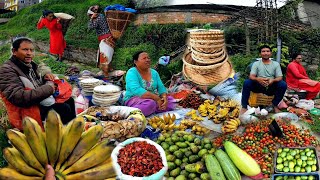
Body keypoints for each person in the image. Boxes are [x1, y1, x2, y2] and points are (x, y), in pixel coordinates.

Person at [0, 37, 75, 130]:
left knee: (70, 100)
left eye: (31, 50)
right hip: (27, 110)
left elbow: (37, 77)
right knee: (64, 108)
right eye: (25, 49)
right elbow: (19, 97)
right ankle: (61, 137)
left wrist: (45, 77)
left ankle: (71, 131)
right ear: (14, 51)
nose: (29, 53)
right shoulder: (6, 70)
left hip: (37, 101)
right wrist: (50, 88)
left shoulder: (28, 64)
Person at [124, 51, 176, 116]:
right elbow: (136, 90)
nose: (147, 60)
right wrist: (156, 98)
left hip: (152, 99)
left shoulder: (154, 72)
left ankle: (150, 110)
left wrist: (164, 97)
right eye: (144, 58)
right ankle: (131, 113)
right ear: (135, 62)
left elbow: (161, 87)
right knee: (150, 104)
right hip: (135, 99)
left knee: (170, 101)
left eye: (148, 58)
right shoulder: (132, 72)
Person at [240, 45, 287, 114]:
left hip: (271, 86)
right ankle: (244, 106)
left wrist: (273, 80)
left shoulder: (276, 64)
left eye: (267, 51)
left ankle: (273, 105)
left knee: (283, 84)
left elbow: (279, 77)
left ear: (270, 53)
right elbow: (251, 76)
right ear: (260, 54)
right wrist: (258, 79)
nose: (265, 53)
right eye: (263, 51)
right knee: (247, 82)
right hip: (259, 86)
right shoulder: (256, 64)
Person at [87, 5, 115, 78]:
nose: (90, 16)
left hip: (105, 40)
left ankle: (106, 78)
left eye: (91, 15)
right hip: (107, 39)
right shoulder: (101, 16)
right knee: (107, 58)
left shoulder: (99, 18)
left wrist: (91, 19)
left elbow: (90, 27)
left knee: (104, 59)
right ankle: (109, 73)